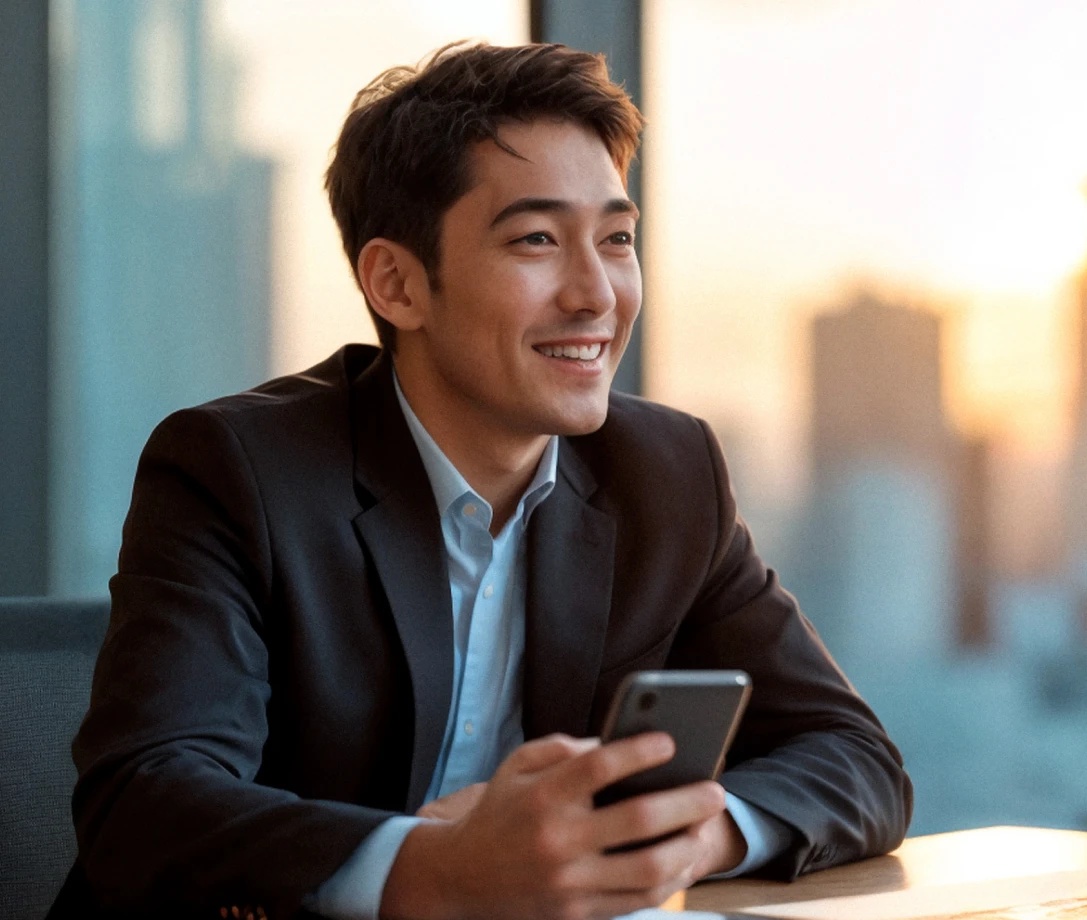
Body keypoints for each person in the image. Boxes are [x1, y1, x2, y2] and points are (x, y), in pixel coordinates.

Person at [49, 41, 910, 920]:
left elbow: (856, 757)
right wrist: (443, 870)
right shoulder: (239, 471)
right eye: (537, 240)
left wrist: (682, 833)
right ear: (397, 283)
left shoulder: (668, 473)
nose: (596, 296)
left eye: (615, 239)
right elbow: (143, 804)